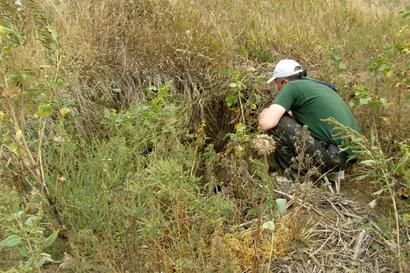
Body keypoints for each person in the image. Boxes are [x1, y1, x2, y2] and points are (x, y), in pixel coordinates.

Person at [258, 59, 360, 180]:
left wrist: (264, 112)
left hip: (333, 157)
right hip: (348, 157)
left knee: (278, 123)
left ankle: (295, 178)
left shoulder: (291, 87)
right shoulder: (318, 86)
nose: (277, 88)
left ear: (284, 81)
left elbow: (266, 123)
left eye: (276, 83)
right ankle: (330, 173)